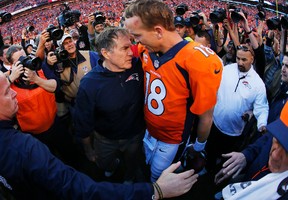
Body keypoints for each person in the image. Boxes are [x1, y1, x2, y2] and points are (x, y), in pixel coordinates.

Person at [0, 70, 199, 200]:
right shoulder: (24, 148)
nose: (15, 94)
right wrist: (154, 191)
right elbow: (80, 190)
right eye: (8, 91)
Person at [124, 0, 223, 182]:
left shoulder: (199, 60)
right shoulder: (147, 49)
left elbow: (206, 115)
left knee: (159, 180)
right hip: (148, 130)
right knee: (145, 168)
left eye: (137, 36)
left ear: (158, 31)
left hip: (171, 140)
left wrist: (199, 145)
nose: (135, 42)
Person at [74, 27, 145, 183]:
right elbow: (83, 121)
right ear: (106, 53)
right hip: (105, 139)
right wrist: (88, 150)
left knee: (133, 161)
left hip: (134, 135)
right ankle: (111, 167)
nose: (131, 52)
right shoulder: (90, 83)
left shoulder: (139, 66)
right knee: (104, 164)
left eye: (131, 46)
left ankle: (129, 178)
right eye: (125, 48)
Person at [206, 43, 269, 173]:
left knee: (226, 159)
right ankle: (207, 169)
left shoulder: (258, 84)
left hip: (234, 132)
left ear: (252, 59)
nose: (240, 62)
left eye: (244, 59)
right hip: (215, 123)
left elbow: (261, 107)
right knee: (210, 151)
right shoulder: (227, 70)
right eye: (238, 58)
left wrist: (262, 124)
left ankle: (220, 177)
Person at [219, 101, 288, 199]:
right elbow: (267, 138)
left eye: (287, 152)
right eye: (277, 140)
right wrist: (246, 156)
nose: (275, 155)